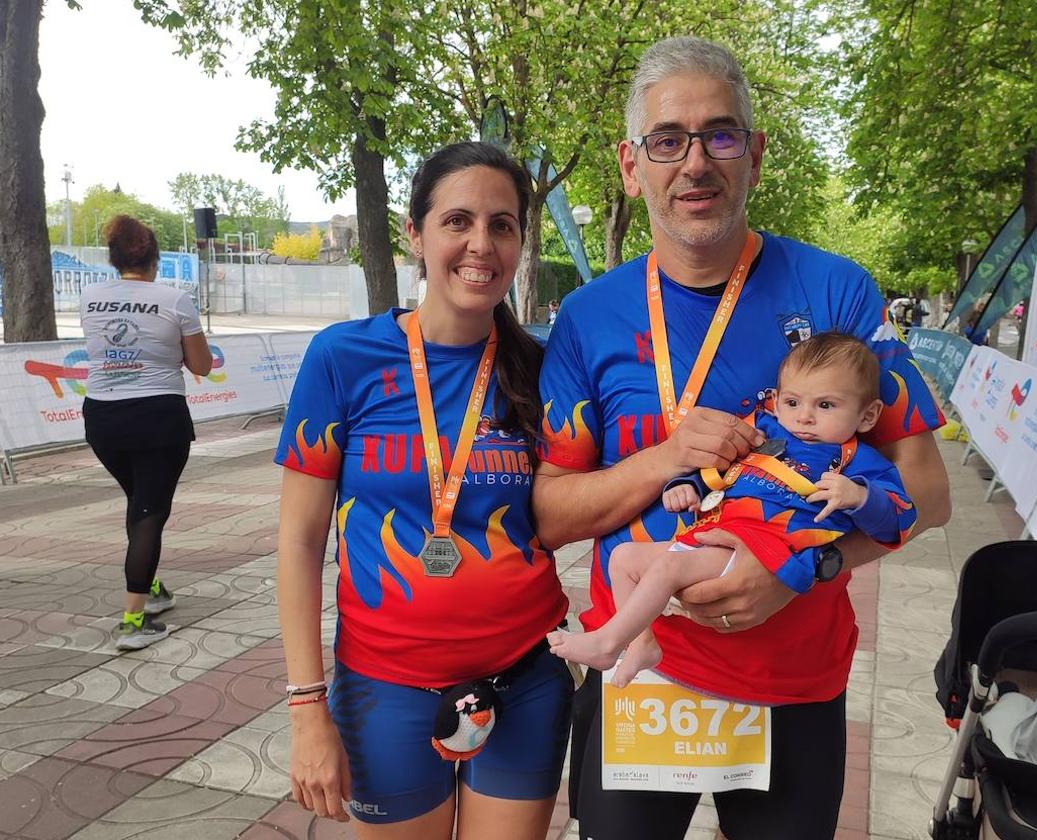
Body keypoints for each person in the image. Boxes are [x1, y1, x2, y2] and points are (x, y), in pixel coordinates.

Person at [534, 37, 951, 840]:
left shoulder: (835, 290)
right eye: (668, 140)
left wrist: (805, 569)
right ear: (631, 166)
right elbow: (551, 515)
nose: (696, 162)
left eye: (720, 135)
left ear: (755, 154)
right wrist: (664, 458)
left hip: (792, 679)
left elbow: (926, 495)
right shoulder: (588, 318)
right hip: (644, 671)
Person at [275, 142, 571, 839]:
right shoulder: (342, 358)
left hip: (524, 677)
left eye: (503, 225)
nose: (481, 244)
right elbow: (297, 539)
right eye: (457, 220)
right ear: (416, 233)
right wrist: (305, 706)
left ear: (521, 242)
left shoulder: (541, 368)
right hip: (386, 688)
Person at [547, 333, 916, 688]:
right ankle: (642, 644)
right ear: (776, 400)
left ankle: (608, 642)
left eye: (825, 405)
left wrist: (860, 497)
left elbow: (900, 519)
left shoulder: (860, 463)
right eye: (792, 402)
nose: (804, 417)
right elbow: (719, 469)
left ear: (867, 416)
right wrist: (687, 487)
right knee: (625, 558)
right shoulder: (765, 433)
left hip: (765, 553)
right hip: (715, 535)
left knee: (670, 567)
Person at [79, 215, 212, 651]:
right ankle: (133, 621)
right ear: (155, 258)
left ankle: (151, 590)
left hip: (102, 417)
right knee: (149, 513)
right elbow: (201, 365)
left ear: (114, 259)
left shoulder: (90, 297)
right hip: (158, 417)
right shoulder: (175, 298)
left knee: (140, 504)